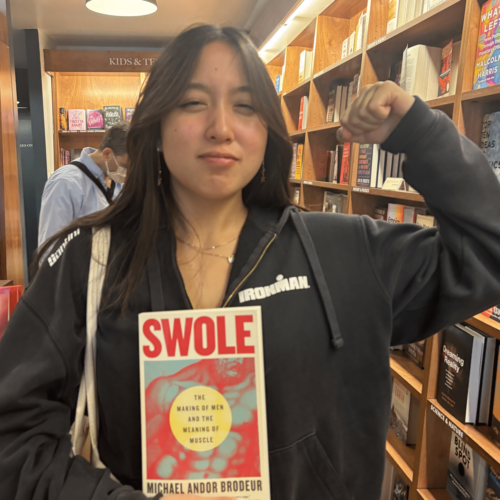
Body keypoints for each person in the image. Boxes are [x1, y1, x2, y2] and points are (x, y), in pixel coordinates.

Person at [1, 23, 500, 500]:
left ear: (266, 130)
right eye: (193, 103)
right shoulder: (90, 261)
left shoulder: (346, 253)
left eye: (244, 106)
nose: (221, 128)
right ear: (156, 126)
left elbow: (487, 253)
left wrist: (420, 134)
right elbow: (11, 434)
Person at [37, 121, 130, 245]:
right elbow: (50, 244)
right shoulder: (65, 183)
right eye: (125, 166)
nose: (127, 173)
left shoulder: (118, 182)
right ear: (107, 154)